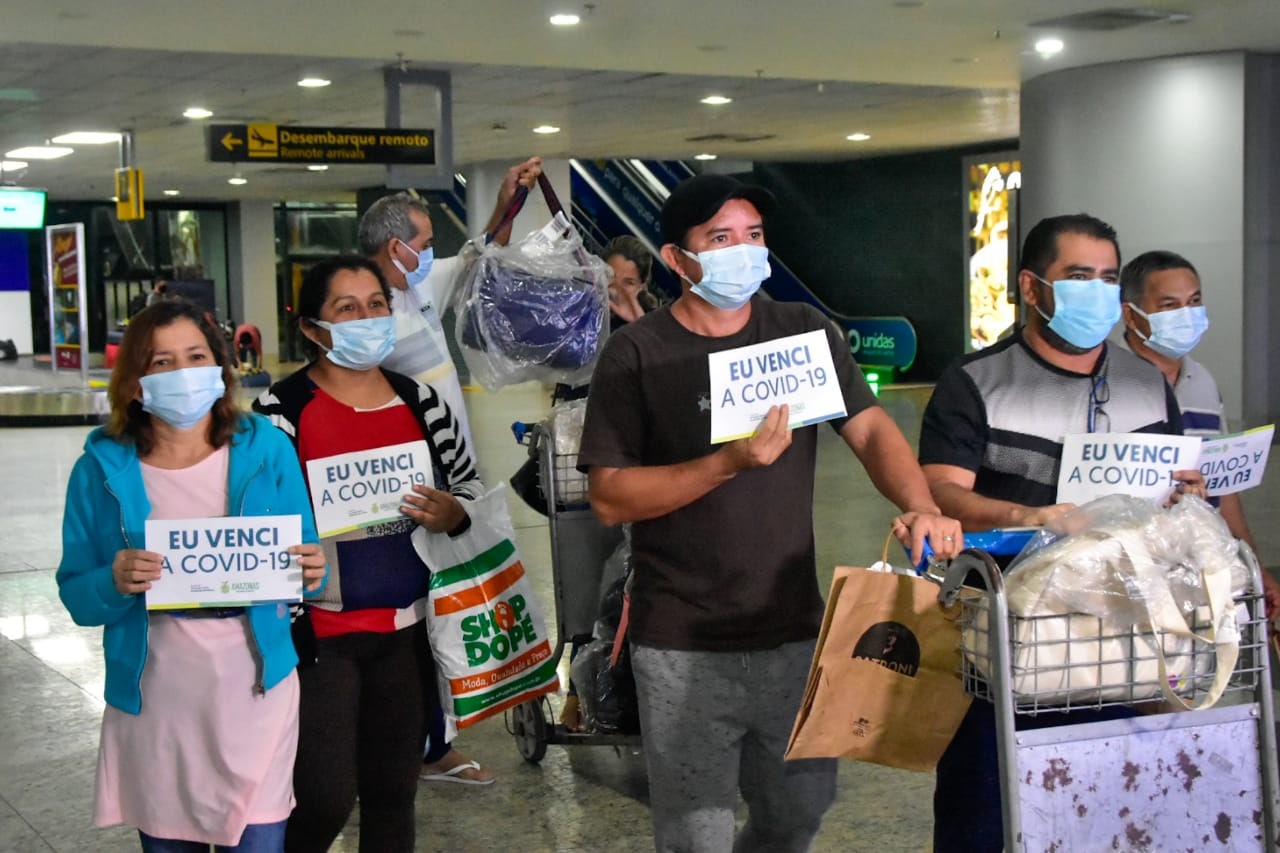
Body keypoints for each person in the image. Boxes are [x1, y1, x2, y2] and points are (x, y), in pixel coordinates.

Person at [577, 173, 963, 852]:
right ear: (678, 259)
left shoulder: (802, 333)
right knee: (696, 833)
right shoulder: (638, 354)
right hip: (681, 642)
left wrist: (919, 503)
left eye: (753, 235)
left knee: (799, 810)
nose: (743, 251)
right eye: (720, 237)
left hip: (791, 630)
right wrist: (727, 462)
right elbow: (610, 494)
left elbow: (870, 427)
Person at [918, 214, 1206, 852]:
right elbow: (939, 491)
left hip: (1124, 641)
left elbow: (1164, 492)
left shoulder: (1147, 384)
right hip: (1013, 642)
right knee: (989, 817)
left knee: (1116, 813)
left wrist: (1184, 496)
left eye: (1108, 278)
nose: (1098, 294)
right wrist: (1027, 517)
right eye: (1079, 277)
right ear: (1031, 287)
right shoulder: (977, 382)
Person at [56, 299, 327, 851]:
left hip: (257, 689)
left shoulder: (266, 448)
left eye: (195, 356)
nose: (182, 374)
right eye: (160, 363)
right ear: (134, 384)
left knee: (259, 839)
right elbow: (78, 595)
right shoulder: (101, 471)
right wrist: (112, 580)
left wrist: (311, 570)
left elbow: (305, 563)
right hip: (159, 698)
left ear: (221, 369)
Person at [252, 256, 484, 852]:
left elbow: (468, 490)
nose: (366, 318)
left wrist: (453, 512)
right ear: (312, 328)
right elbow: (252, 517)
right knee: (323, 796)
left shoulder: (423, 404)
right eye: (346, 308)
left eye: (376, 304)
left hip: (407, 632)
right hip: (320, 636)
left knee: (392, 793)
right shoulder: (280, 414)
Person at [359, 160, 540, 786]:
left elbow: (477, 256)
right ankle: (420, 742)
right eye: (422, 240)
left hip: (451, 473)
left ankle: (435, 738)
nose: (429, 250)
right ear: (394, 247)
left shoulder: (418, 286)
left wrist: (508, 200)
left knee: (446, 600)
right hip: (402, 485)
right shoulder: (365, 309)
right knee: (415, 605)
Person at [1116, 249, 1280, 615]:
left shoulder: (1202, 381)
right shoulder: (1108, 381)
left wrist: (1253, 566)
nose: (1186, 315)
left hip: (1206, 570)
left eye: (1194, 302)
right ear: (1130, 314)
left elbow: (1224, 488)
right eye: (1170, 305)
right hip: (1134, 575)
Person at [602, 234, 660, 331]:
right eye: (610, 276)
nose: (616, 288)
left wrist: (640, 330)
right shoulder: (581, 300)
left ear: (642, 287)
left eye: (629, 283)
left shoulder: (653, 325)